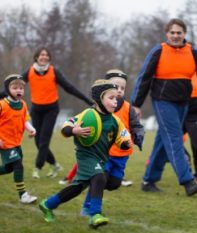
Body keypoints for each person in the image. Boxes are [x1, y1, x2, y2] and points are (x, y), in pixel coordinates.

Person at [131, 18, 197, 196]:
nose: (176, 35)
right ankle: (188, 182)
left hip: (183, 103)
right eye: (172, 32)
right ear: (167, 34)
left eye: (179, 32)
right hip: (162, 102)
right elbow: (144, 77)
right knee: (174, 137)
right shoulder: (158, 50)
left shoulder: (193, 52)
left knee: (163, 141)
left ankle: (149, 180)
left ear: (184, 34)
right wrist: (136, 104)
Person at [39, 79, 133, 228]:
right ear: (99, 99)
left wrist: (125, 143)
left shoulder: (115, 120)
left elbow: (121, 137)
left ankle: (48, 204)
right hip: (86, 156)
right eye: (111, 98)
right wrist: (73, 130)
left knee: (77, 188)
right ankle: (95, 214)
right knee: (99, 177)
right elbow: (66, 125)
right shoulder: (88, 114)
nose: (115, 101)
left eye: (116, 98)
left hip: (101, 158)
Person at [58, 69, 145, 191]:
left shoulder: (128, 108)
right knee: (98, 179)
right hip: (102, 153)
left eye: (122, 88)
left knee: (113, 184)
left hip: (121, 152)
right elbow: (77, 123)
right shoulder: (95, 110)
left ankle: (88, 182)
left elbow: (137, 126)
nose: (119, 90)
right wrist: (76, 131)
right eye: (116, 87)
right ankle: (88, 204)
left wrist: (138, 135)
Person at [21, 46, 93, 179]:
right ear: (36, 57)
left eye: (46, 55)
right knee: (38, 142)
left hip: (51, 110)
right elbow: (13, 84)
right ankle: (55, 165)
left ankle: (37, 167)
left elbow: (69, 88)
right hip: (36, 110)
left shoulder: (54, 72)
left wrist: (88, 101)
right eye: (41, 55)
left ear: (49, 58)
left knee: (44, 141)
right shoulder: (29, 72)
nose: (44, 57)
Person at [0, 74, 37, 203]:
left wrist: (31, 129)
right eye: (15, 87)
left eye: (21, 88)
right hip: (4, 143)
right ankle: (23, 195)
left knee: (9, 168)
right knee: (18, 165)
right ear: (7, 89)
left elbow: (25, 120)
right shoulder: (2, 105)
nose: (19, 90)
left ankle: (23, 195)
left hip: (16, 143)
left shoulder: (23, 104)